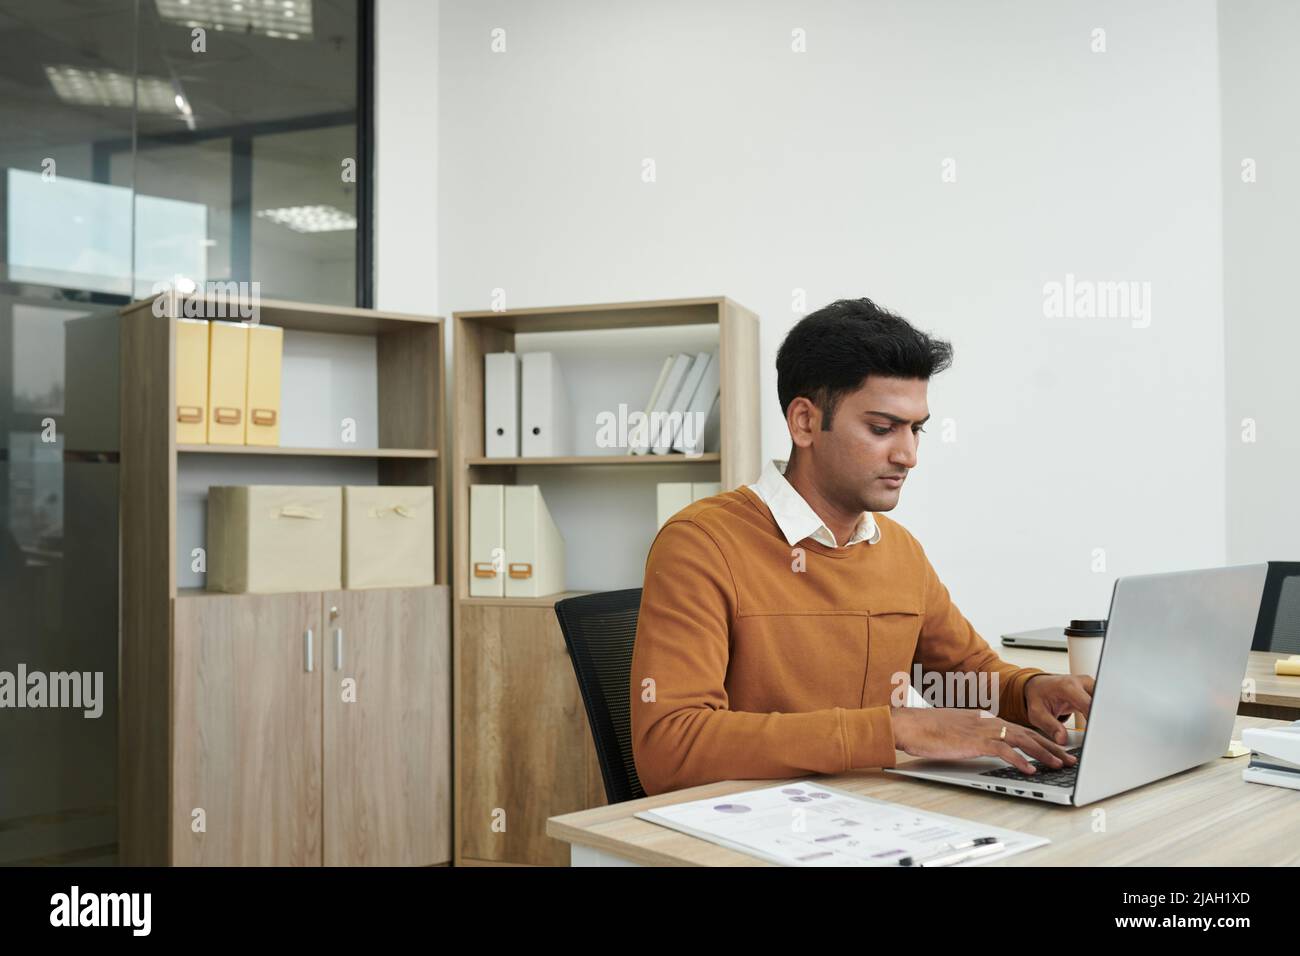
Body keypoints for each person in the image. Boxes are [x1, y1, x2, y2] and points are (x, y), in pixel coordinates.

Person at [630, 297, 1093, 795]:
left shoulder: (898, 551)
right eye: (881, 428)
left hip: (867, 815)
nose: (909, 455)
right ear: (805, 422)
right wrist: (892, 729)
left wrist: (1030, 691)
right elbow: (669, 748)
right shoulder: (701, 544)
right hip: (747, 827)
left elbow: (965, 675)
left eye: (917, 429)